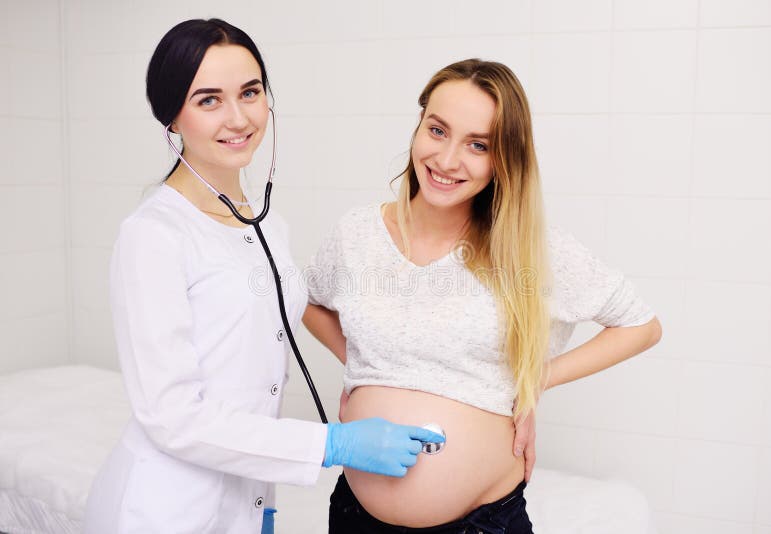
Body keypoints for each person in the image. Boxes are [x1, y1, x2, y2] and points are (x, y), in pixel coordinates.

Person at [83, 18, 442, 534]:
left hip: (245, 503)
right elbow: (172, 417)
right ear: (172, 119)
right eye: (208, 99)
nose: (238, 117)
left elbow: (257, 368)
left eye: (250, 92)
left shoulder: (266, 221)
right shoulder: (153, 236)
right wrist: (331, 445)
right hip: (164, 510)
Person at [303, 58, 663, 533]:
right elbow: (303, 301)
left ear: (503, 160)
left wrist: (532, 382)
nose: (448, 160)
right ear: (418, 127)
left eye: (478, 145)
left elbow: (641, 325)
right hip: (357, 518)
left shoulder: (528, 250)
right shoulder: (357, 233)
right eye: (437, 130)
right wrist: (362, 366)